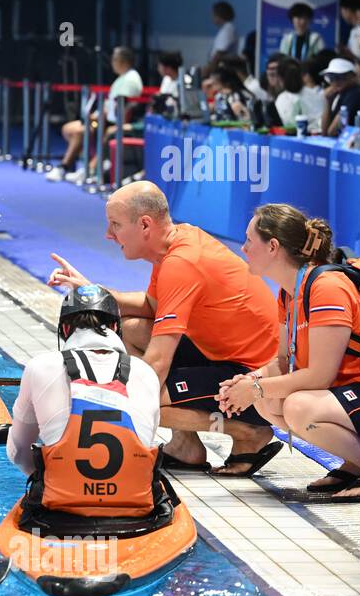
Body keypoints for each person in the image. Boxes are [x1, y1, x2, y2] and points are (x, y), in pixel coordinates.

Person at [47, 181, 281, 476]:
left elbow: (158, 361)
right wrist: (93, 290)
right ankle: (185, 446)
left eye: (115, 225)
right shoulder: (177, 243)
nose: (108, 234)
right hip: (225, 357)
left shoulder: (182, 262)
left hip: (253, 382)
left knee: (135, 397)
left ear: (145, 224)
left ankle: (248, 432)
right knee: (129, 329)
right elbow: (152, 306)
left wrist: (105, 406)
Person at [218, 204, 360, 501]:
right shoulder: (289, 290)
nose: (244, 248)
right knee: (269, 402)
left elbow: (320, 375)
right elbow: (285, 362)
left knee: (298, 406)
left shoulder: (326, 287)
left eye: (249, 240)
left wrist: (256, 388)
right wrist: (248, 382)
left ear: (273, 246)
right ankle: (356, 463)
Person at [7, 284, 169, 521]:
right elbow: (145, 448)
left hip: (57, 513)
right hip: (137, 513)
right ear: (116, 326)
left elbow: (19, 452)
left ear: (64, 329)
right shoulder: (144, 372)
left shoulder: (39, 366)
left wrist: (52, 478)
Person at [47, 46, 142, 184]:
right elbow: (110, 103)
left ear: (124, 61)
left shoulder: (131, 80)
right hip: (104, 119)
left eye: (115, 59)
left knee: (80, 131)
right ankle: (87, 164)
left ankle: (71, 167)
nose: (112, 62)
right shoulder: (122, 78)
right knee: (68, 128)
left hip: (114, 122)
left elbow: (121, 108)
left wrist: (97, 118)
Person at [322, 57, 360, 136]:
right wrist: (327, 101)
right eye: (332, 77)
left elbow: (332, 132)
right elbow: (325, 132)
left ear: (353, 77)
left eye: (341, 77)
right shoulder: (340, 94)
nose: (336, 81)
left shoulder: (355, 93)